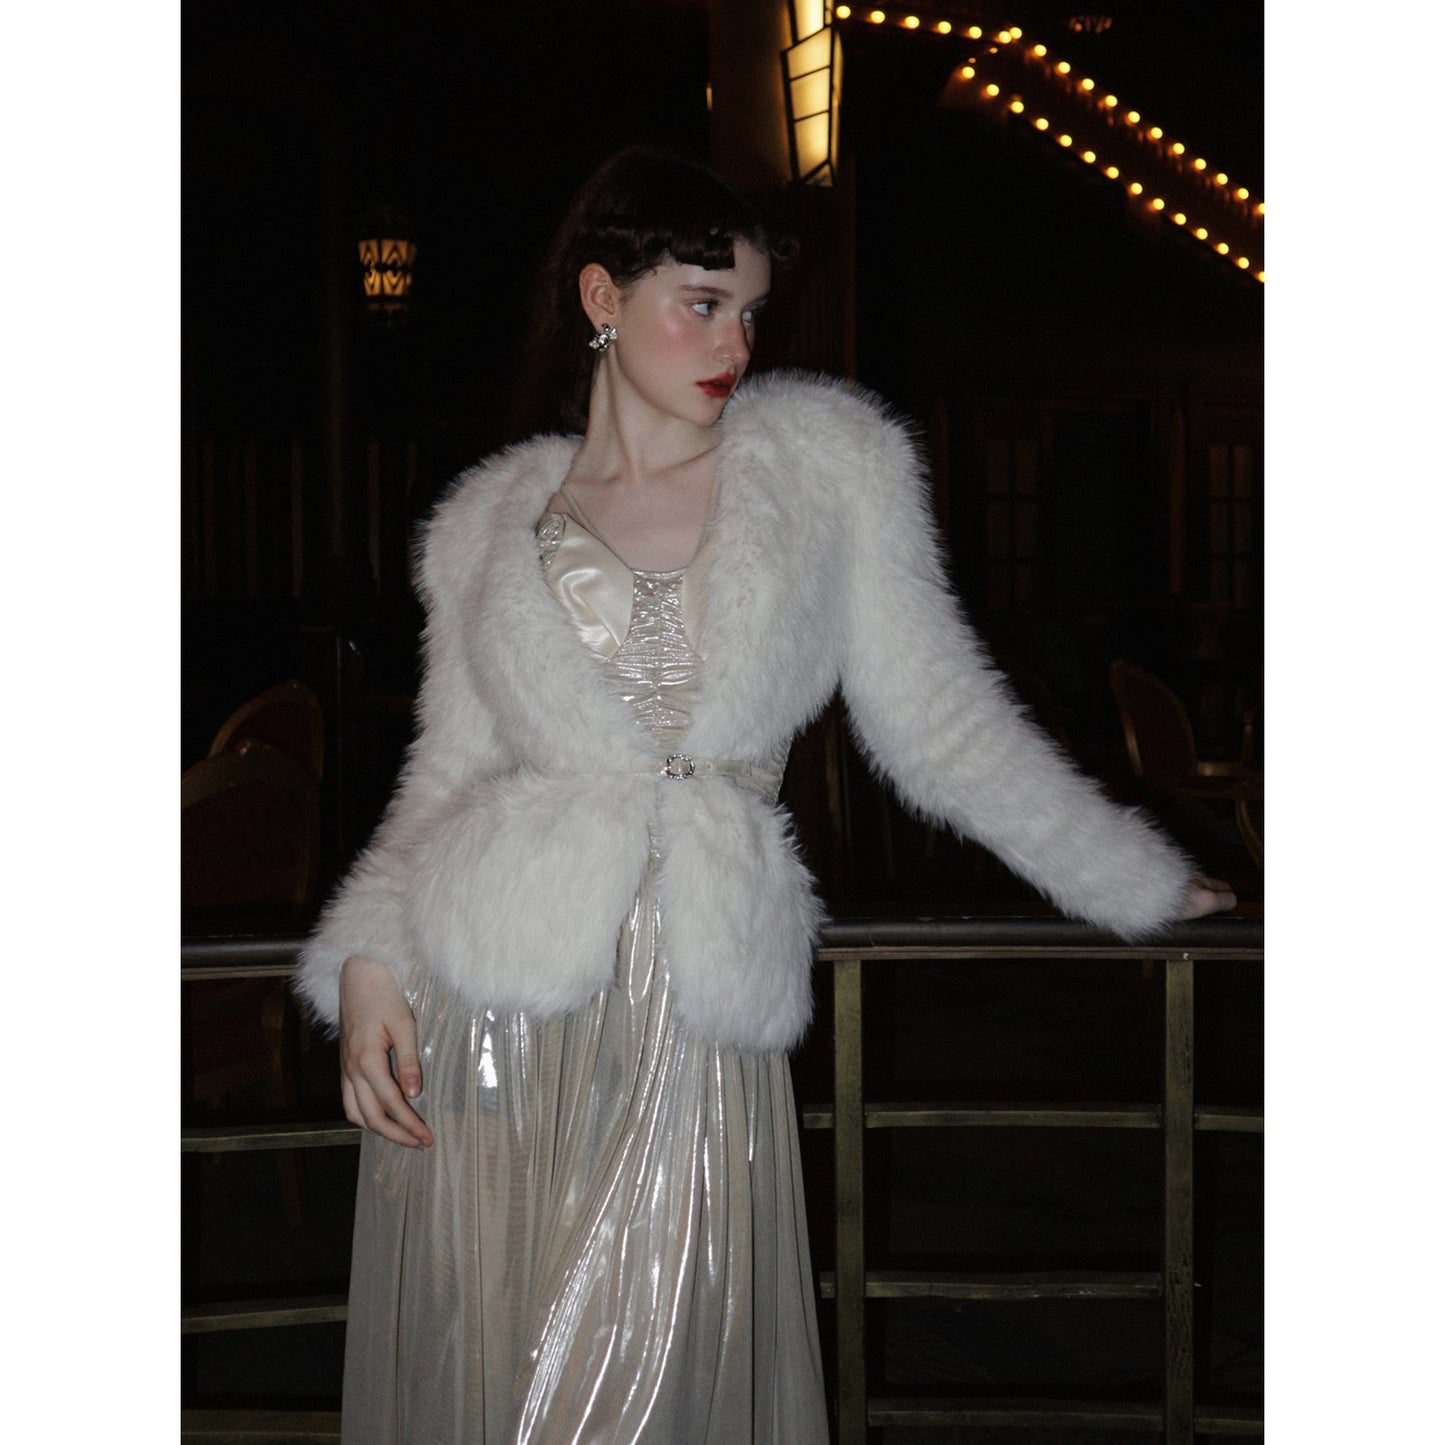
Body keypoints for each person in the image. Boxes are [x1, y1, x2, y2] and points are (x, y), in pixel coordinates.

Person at [294, 145, 1234, 1443]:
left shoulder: (823, 472)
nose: (736, 341)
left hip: (693, 1004)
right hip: (493, 1006)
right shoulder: (487, 523)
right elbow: (448, 774)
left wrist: (1130, 875)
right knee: (493, 1366)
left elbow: (941, 723)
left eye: (748, 310)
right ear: (601, 298)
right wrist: (366, 962)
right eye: (703, 302)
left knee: (636, 1390)